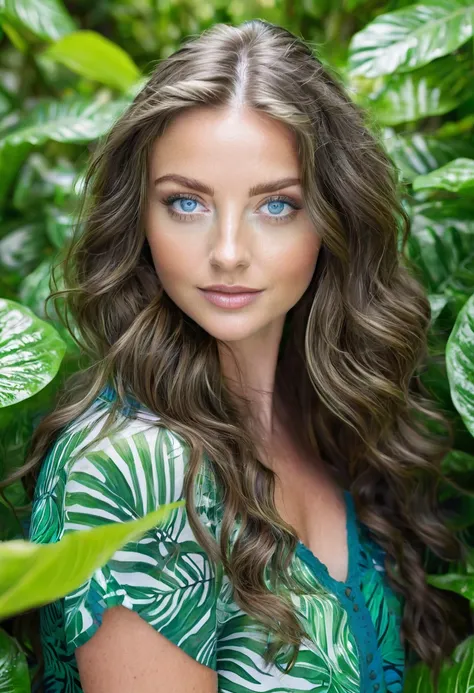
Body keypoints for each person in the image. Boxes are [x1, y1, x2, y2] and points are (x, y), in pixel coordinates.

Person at [25, 18, 469, 693]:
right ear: (139, 216)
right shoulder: (133, 471)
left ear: (334, 215)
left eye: (276, 206)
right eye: (185, 202)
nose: (228, 251)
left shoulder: (325, 413)